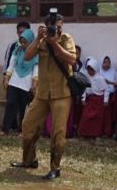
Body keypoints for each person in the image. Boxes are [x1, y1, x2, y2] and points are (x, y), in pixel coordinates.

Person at [9, 13, 77, 179]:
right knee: (27, 126)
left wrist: (54, 44)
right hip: (42, 93)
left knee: (58, 133)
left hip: (61, 93)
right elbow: (27, 56)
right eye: (52, 27)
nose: (56, 30)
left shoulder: (66, 39)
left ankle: (55, 168)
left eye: (59, 27)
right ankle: (29, 160)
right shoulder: (42, 40)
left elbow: (72, 59)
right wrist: (38, 38)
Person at [2, 28, 37, 134]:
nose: (23, 44)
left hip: (26, 83)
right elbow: (11, 65)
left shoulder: (35, 53)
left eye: (25, 42)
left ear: (31, 41)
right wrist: (7, 78)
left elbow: (36, 69)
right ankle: (5, 129)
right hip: (14, 81)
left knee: (23, 108)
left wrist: (34, 84)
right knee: (10, 104)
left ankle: (22, 131)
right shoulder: (17, 50)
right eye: (21, 42)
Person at [76, 58, 110, 140]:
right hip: (90, 99)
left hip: (98, 100)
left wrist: (106, 100)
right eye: (88, 69)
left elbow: (106, 89)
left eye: (91, 69)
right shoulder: (86, 77)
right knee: (86, 116)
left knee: (97, 118)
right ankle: (84, 133)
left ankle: (95, 134)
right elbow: (84, 88)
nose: (90, 71)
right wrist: (83, 98)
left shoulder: (100, 78)